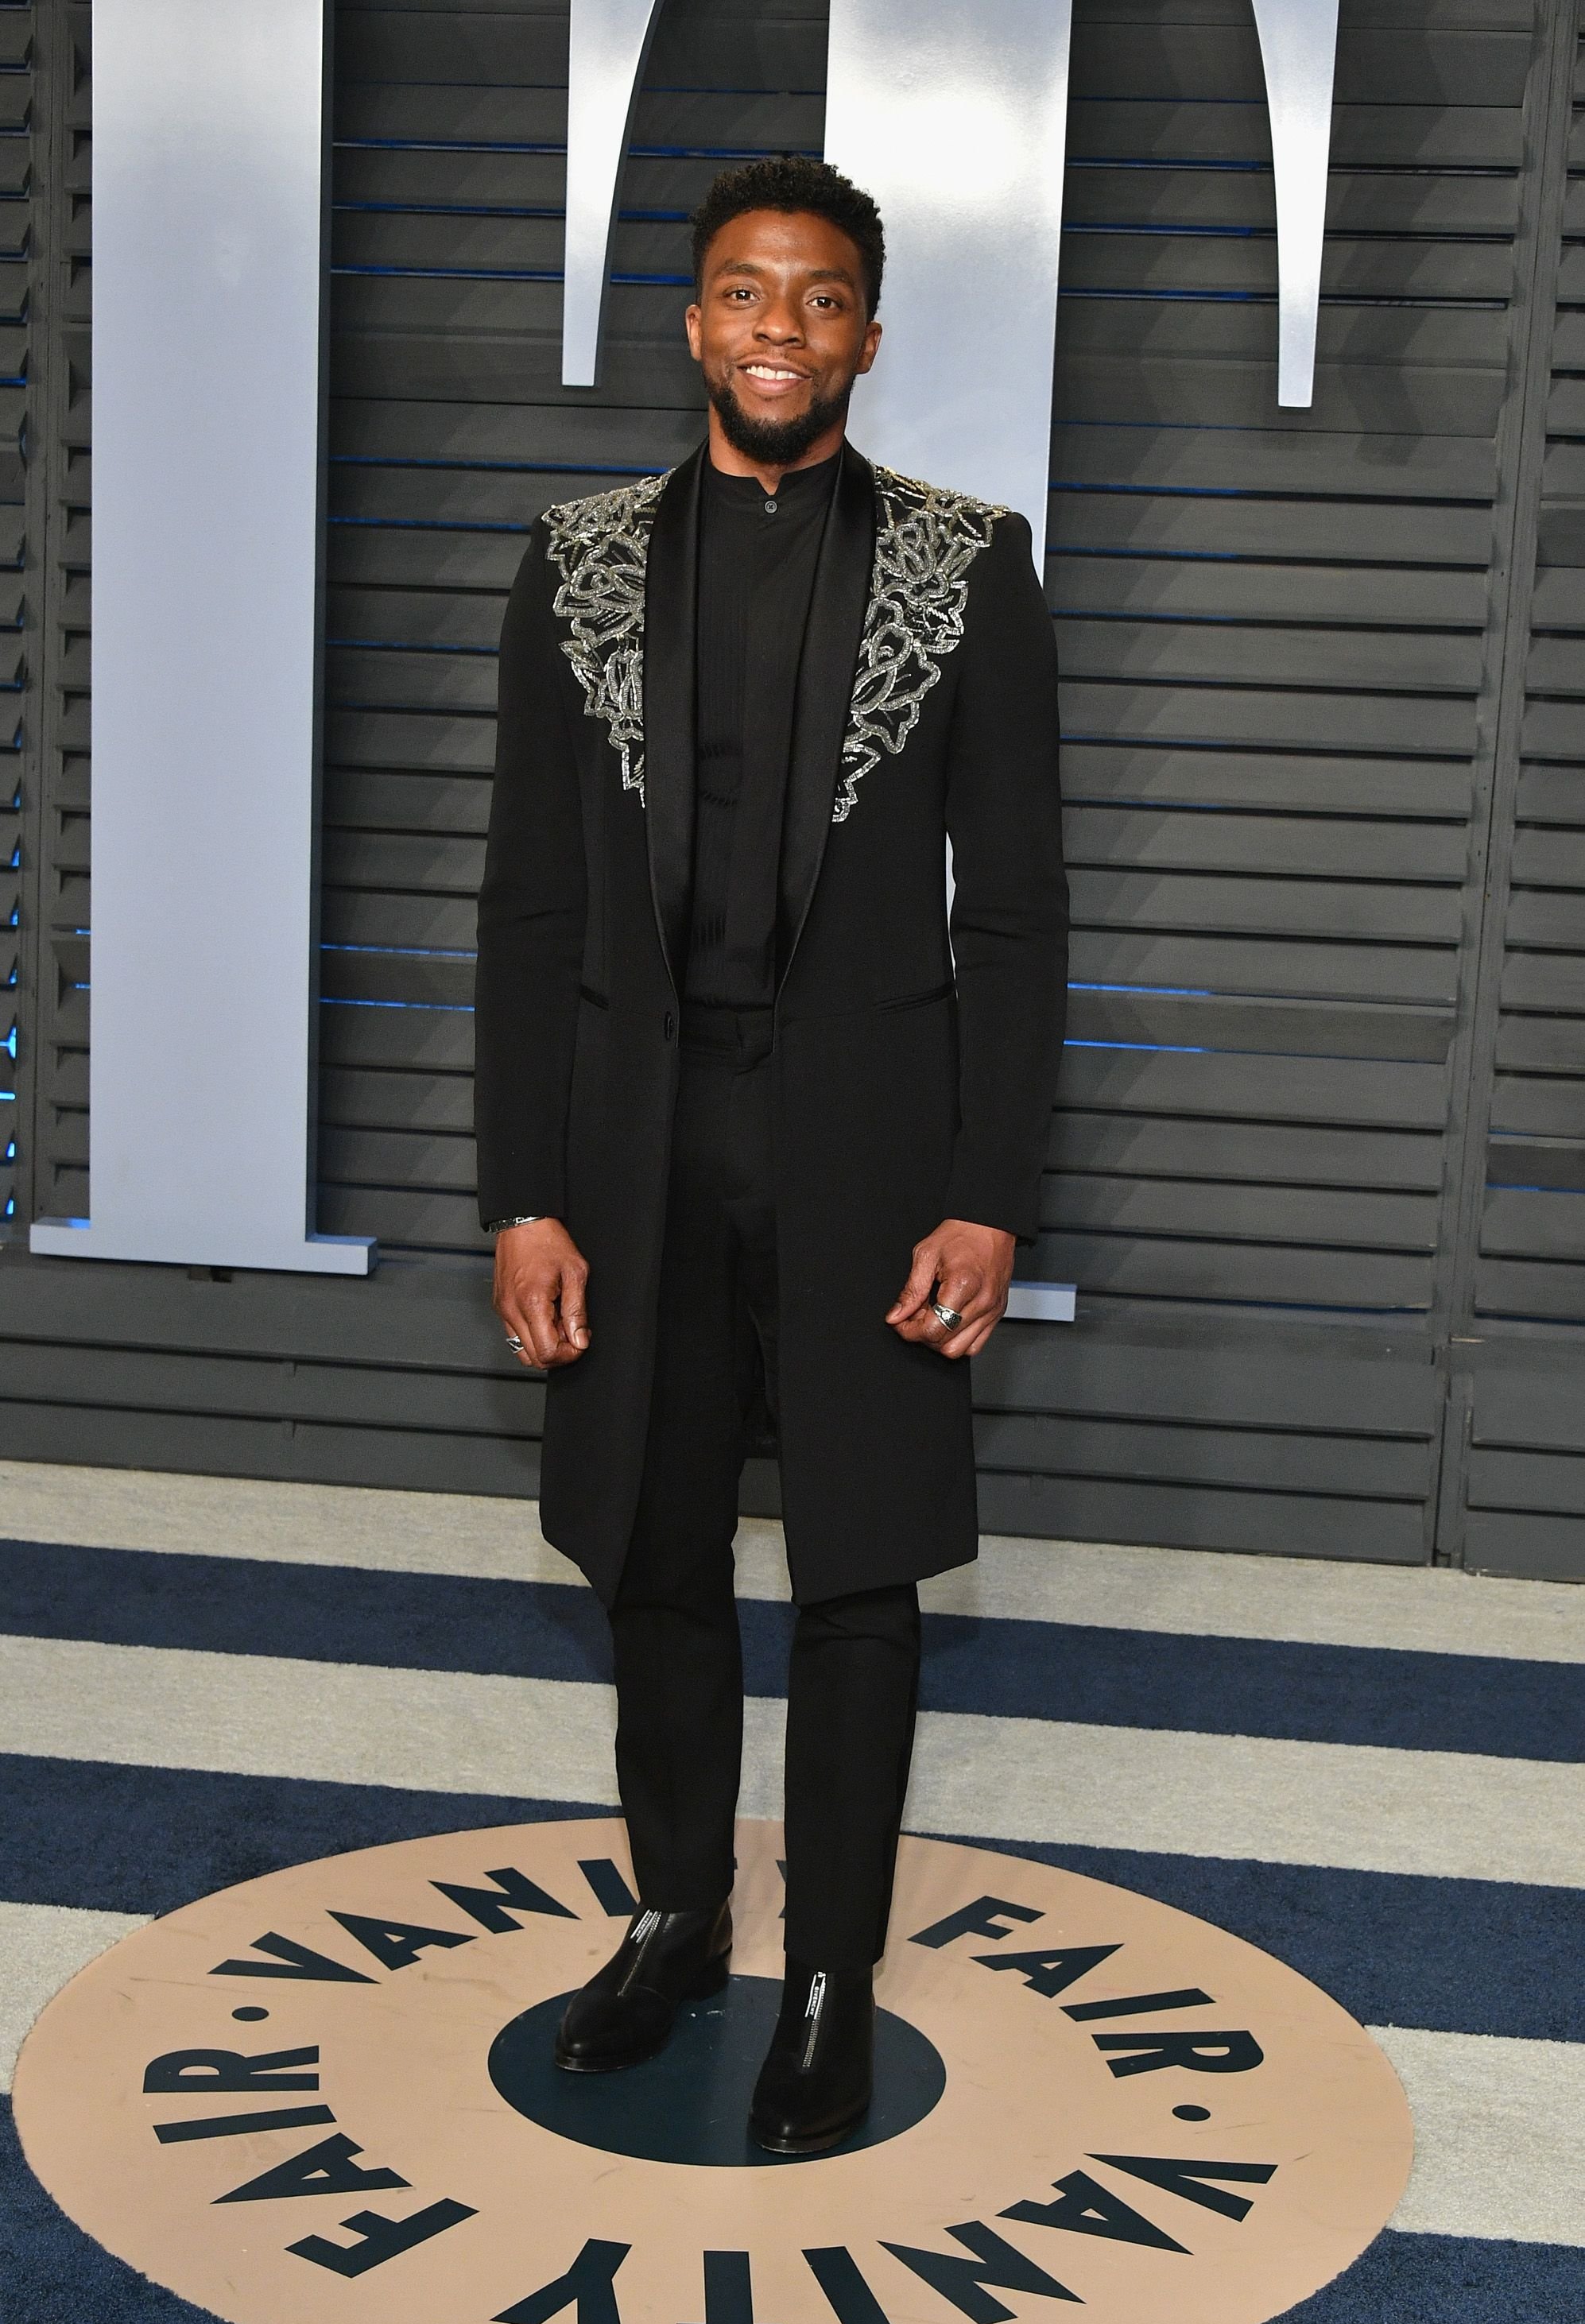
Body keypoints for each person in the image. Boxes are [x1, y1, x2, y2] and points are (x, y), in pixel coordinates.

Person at [474, 155, 1067, 2156]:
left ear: (868, 338)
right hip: (634, 1140)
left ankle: (828, 1974)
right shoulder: (569, 562)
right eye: (745, 292)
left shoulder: (970, 563)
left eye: (819, 300)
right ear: (693, 321)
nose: (778, 330)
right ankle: (673, 1917)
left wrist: (989, 1187)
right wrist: (522, 1191)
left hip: (876, 1150)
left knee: (862, 1571)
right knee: (649, 1543)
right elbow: (529, 913)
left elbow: (1021, 915)